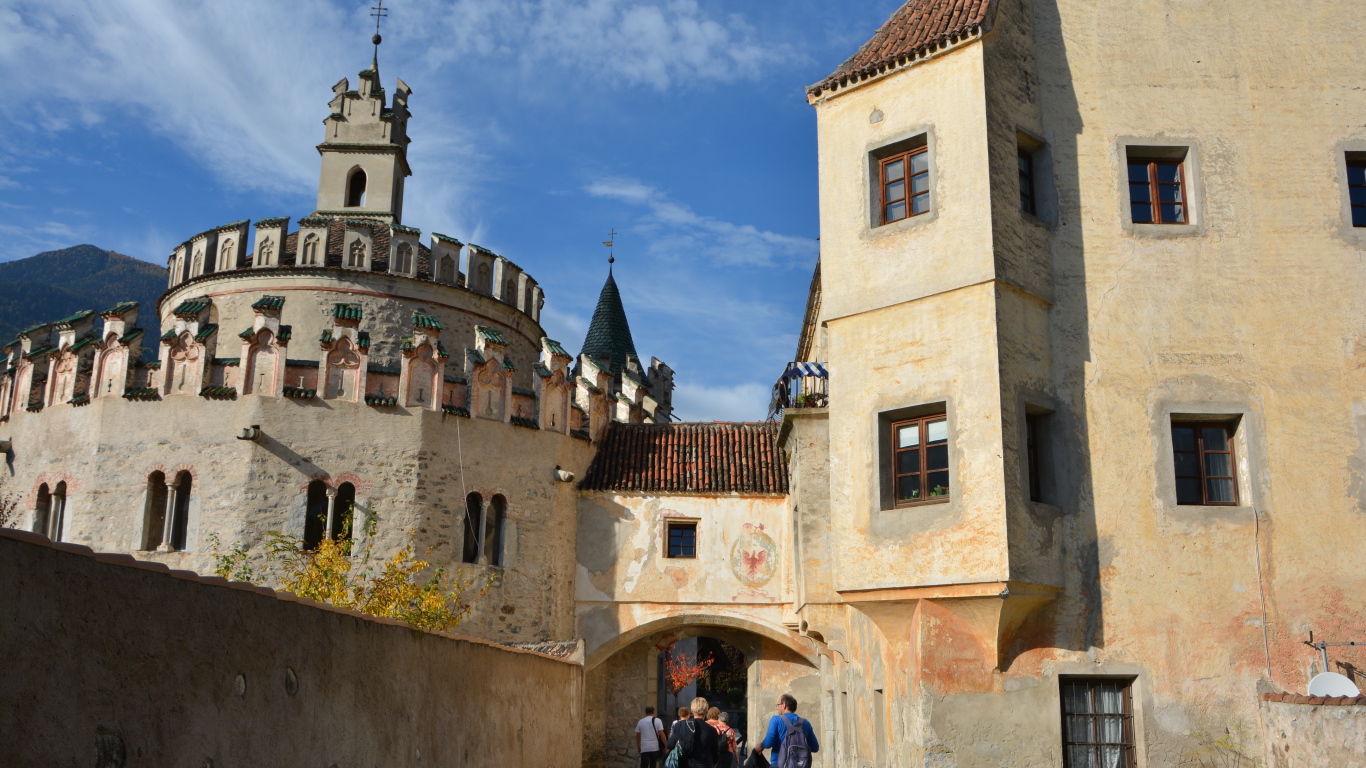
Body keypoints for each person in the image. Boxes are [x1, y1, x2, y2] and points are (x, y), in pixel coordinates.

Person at [758, 694, 819, 767]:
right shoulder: (805, 723)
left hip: (779, 763)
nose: (777, 708)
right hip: (801, 765)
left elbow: (768, 743)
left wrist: (760, 746)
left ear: (783, 705)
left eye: (777, 705)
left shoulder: (776, 720)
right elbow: (815, 747)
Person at [666, 696, 722, 768]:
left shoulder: (680, 725)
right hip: (704, 764)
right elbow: (715, 754)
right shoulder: (712, 730)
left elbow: (670, 745)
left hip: (685, 764)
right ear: (706, 711)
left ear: (692, 711)